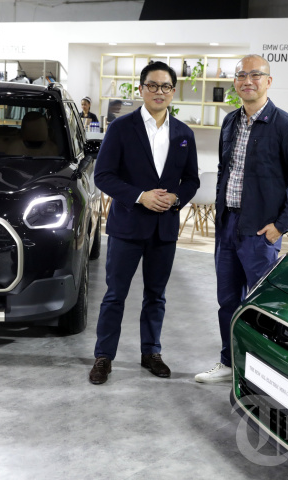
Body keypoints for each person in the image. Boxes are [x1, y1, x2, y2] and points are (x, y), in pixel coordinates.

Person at [195, 54, 288, 383]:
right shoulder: (230, 122)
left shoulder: (285, 125)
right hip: (228, 227)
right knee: (227, 301)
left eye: (255, 75)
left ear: (268, 81)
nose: (247, 81)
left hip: (260, 231)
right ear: (234, 82)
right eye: (241, 75)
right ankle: (229, 363)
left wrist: (280, 226)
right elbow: (226, 171)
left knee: (261, 305)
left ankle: (263, 373)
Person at [89, 61, 200, 385]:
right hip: (127, 226)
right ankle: (103, 356)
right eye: (152, 85)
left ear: (173, 91)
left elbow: (191, 180)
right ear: (141, 89)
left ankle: (151, 352)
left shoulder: (184, 134)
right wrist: (140, 196)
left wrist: (176, 198)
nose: (158, 92)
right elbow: (103, 175)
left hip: (164, 228)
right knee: (115, 294)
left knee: (156, 295)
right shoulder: (121, 128)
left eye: (165, 86)